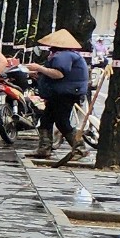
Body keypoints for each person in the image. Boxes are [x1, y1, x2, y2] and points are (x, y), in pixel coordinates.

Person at [28, 28, 92, 161]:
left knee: (62, 122)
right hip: (60, 94)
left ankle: (80, 149)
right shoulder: (68, 55)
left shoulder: (63, 56)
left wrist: (39, 68)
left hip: (64, 94)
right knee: (46, 121)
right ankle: (44, 148)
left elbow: (59, 74)